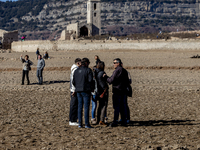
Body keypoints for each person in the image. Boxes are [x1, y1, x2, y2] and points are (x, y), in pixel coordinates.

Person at [104, 58, 130, 127]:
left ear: (118, 63)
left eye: (114, 63)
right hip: (123, 91)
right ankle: (124, 121)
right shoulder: (124, 71)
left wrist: (105, 77)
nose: (113, 64)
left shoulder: (117, 71)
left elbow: (111, 80)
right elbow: (128, 81)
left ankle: (115, 121)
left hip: (117, 91)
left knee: (116, 107)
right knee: (123, 107)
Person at [72, 58, 94, 128]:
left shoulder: (76, 71)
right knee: (86, 107)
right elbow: (91, 80)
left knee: (80, 107)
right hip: (86, 90)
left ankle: (80, 124)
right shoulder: (88, 70)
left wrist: (78, 87)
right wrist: (91, 88)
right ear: (86, 63)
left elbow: (73, 82)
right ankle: (87, 123)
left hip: (78, 90)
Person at [69, 58, 81, 126]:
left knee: (74, 105)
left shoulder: (74, 69)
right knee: (74, 105)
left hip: (73, 90)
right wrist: (74, 90)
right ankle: (72, 120)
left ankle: (73, 119)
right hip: (74, 90)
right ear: (78, 63)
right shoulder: (75, 70)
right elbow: (73, 81)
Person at [96, 61, 109, 125]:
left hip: (98, 91)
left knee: (99, 106)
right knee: (104, 105)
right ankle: (101, 120)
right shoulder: (102, 73)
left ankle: (98, 119)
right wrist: (105, 89)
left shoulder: (96, 72)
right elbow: (103, 82)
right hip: (103, 91)